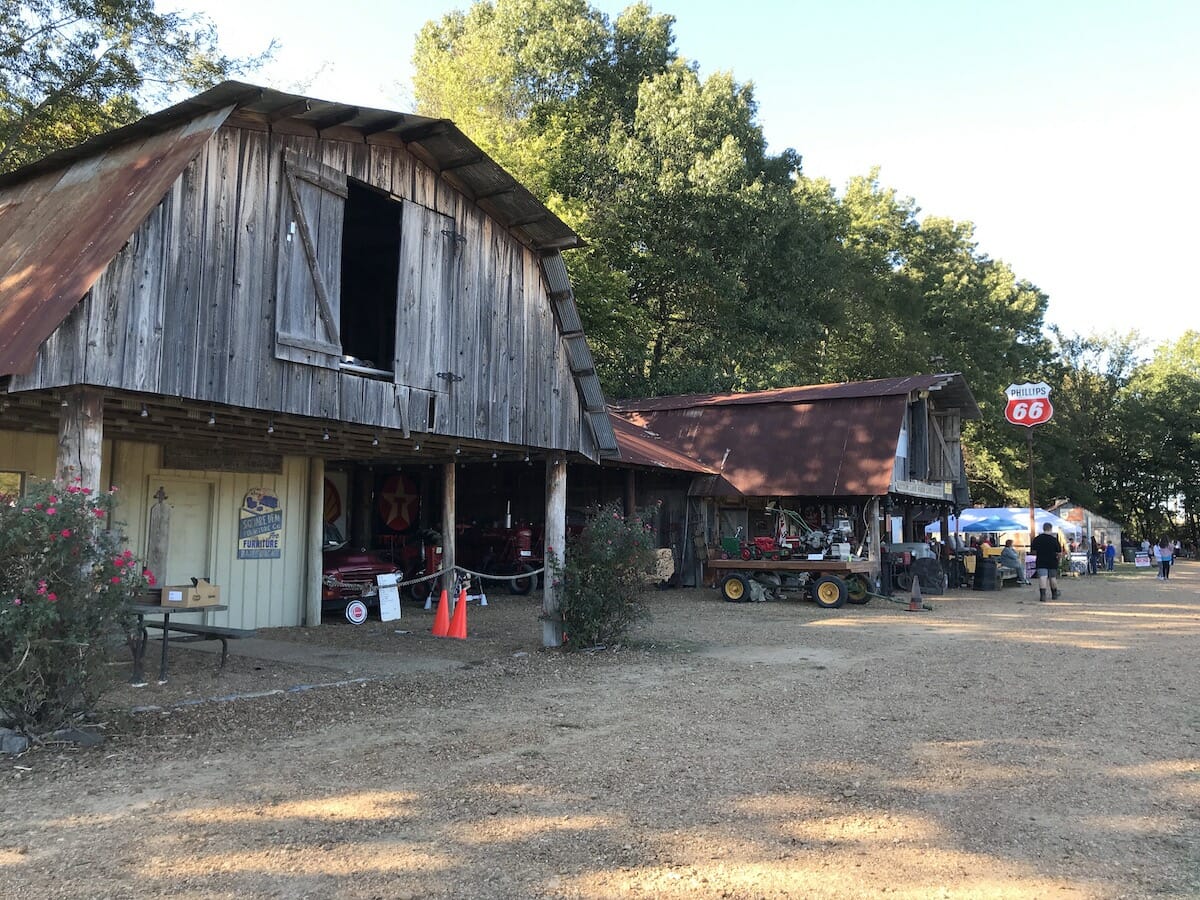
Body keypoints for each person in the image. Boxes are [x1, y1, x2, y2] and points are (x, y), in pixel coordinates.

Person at [1030, 522, 1064, 601]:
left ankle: (1043, 595)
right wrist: (1058, 559)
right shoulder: (1054, 540)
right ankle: (1054, 594)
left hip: (1041, 560)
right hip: (1052, 561)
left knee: (1042, 577)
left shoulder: (1037, 539)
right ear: (1051, 529)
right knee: (1052, 578)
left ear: (1043, 528)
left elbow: (1033, 551)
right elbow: (1059, 553)